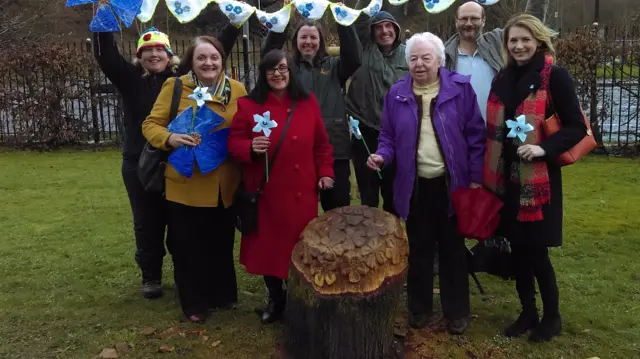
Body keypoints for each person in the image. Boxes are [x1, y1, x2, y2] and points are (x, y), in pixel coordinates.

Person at [93, 25, 240, 299]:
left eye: (159, 49)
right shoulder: (131, 79)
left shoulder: (183, 79)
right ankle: (151, 275)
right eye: (147, 50)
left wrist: (235, 22)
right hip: (143, 162)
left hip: (180, 163)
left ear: (170, 54)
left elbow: (214, 50)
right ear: (139, 56)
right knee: (147, 222)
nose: (153, 54)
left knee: (181, 226)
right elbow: (107, 57)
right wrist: (103, 23)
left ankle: (185, 277)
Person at [367, 32, 485, 335]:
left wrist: (475, 179)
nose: (419, 64)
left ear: (439, 60)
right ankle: (419, 309)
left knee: (452, 250)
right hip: (414, 185)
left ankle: (456, 312)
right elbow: (388, 137)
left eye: (425, 57)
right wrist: (382, 156)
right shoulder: (396, 93)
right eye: (413, 58)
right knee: (418, 250)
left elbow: (475, 136)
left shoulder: (460, 89)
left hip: (451, 185)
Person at [483, 14, 587, 342]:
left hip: (538, 182)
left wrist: (543, 150)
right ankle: (528, 311)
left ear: (538, 41)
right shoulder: (501, 78)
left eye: (525, 39)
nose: (519, 46)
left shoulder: (554, 76)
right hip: (508, 180)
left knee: (536, 252)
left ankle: (552, 316)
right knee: (517, 250)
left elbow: (576, 127)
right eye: (513, 40)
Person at [142, 36, 247, 323]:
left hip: (224, 184)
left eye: (213, 57)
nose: (208, 62)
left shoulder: (237, 90)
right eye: (201, 57)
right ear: (192, 61)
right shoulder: (176, 87)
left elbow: (246, 127)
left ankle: (221, 295)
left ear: (222, 59)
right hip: (185, 184)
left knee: (221, 244)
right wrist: (170, 138)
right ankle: (195, 304)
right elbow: (150, 124)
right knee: (189, 246)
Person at [227, 49, 334, 324]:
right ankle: (276, 298)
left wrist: (325, 173)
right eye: (272, 69)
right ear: (264, 74)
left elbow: (322, 145)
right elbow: (234, 142)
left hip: (302, 190)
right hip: (268, 192)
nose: (278, 74)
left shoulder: (307, 102)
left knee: (301, 245)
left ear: (290, 71)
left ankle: (303, 299)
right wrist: (250, 146)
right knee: (271, 248)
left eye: (283, 68)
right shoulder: (249, 106)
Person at [261, 19, 361, 212]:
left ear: (321, 41)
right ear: (295, 40)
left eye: (313, 37)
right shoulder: (287, 68)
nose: (308, 41)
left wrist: (342, 20)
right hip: (298, 150)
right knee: (299, 212)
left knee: (337, 212)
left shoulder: (335, 66)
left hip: (334, 149)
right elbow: (268, 58)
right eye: (303, 37)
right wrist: (282, 21)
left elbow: (355, 59)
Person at [346, 2, 408, 214]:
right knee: (369, 193)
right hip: (365, 130)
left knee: (393, 192)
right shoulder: (363, 48)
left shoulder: (408, 55)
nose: (384, 31)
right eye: (378, 27)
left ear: (396, 29)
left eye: (388, 26)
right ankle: (369, 241)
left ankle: (392, 241)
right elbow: (360, 18)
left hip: (396, 134)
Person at [444, 1, 503, 122]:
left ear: (483, 21)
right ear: (456, 21)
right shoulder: (444, 57)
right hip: (460, 133)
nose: (469, 23)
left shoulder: (497, 44)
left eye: (474, 18)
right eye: (464, 18)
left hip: (497, 132)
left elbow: (526, 30)